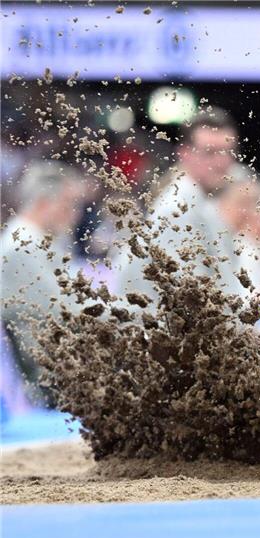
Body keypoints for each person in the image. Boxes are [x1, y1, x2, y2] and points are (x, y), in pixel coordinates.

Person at [116, 107, 246, 303]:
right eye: (210, 152)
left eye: (228, 151)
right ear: (185, 154)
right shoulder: (177, 211)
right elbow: (191, 303)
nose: (222, 162)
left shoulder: (201, 205)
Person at [1, 161, 87, 395]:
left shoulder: (37, 241)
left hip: (68, 362)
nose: (75, 214)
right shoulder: (22, 247)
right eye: (69, 204)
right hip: (57, 377)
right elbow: (63, 311)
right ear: (43, 203)